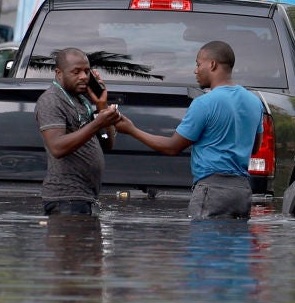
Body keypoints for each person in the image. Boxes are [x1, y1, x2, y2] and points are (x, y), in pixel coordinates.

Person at [116, 40, 264, 220]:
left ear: (212, 64)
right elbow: (254, 148)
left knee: (205, 246)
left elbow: (172, 147)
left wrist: (131, 130)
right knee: (235, 246)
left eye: (198, 64)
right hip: (242, 192)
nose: (196, 70)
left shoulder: (204, 103)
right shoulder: (254, 102)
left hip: (212, 191)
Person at [35, 47, 121, 216]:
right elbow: (57, 147)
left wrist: (101, 105)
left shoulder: (81, 100)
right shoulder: (51, 101)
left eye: (87, 71)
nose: (83, 76)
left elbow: (108, 143)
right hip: (65, 199)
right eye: (76, 72)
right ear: (59, 73)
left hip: (83, 198)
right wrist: (97, 124)